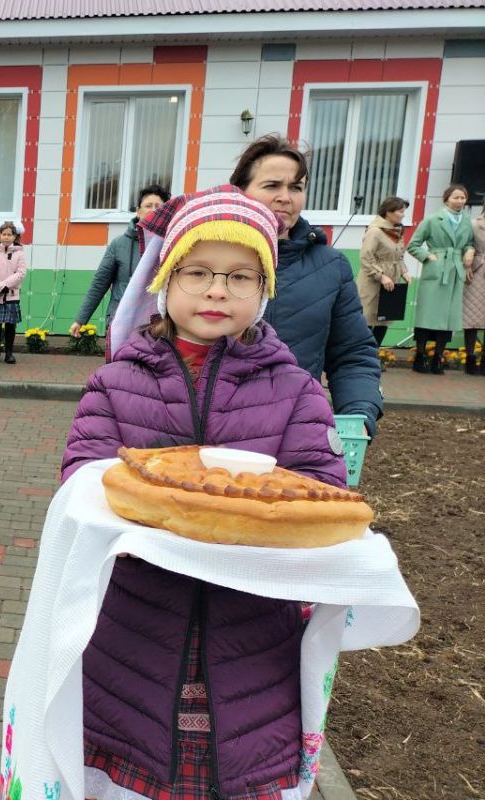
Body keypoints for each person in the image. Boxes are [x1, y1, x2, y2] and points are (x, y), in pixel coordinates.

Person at [62, 188, 347, 799]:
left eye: (241, 277)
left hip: (252, 641)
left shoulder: (297, 391)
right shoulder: (115, 383)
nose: (218, 290)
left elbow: (319, 495)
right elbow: (84, 484)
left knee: (234, 771)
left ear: (264, 290)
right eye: (198, 272)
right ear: (165, 279)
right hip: (133, 632)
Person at [225, 135, 382, 435]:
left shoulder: (331, 266)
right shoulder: (208, 258)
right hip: (211, 432)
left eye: (296, 188)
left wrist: (360, 412)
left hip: (294, 432)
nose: (285, 197)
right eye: (272, 185)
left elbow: (352, 354)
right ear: (241, 192)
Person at [71, 184, 170, 345]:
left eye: (158, 206)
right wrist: (81, 319)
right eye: (148, 206)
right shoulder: (119, 244)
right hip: (122, 320)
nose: (153, 210)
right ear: (138, 211)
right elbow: (99, 284)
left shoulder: (172, 245)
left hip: (157, 324)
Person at [406, 184, 476, 375]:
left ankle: (438, 358)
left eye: (463, 198)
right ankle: (420, 357)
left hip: (455, 272)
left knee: (448, 319)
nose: (460, 201)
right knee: (427, 315)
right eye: (456, 197)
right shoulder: (432, 220)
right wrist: (428, 257)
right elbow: (413, 245)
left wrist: (469, 250)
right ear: (446, 199)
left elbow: (469, 242)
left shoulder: (466, 222)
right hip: (436, 271)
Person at [357, 196, 410, 346]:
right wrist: (381, 276)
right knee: (367, 318)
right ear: (389, 212)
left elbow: (398, 256)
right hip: (372, 281)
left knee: (384, 319)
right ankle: (362, 355)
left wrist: (404, 271)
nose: (403, 214)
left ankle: (374, 354)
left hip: (391, 280)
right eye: (400, 211)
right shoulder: (375, 231)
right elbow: (366, 257)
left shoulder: (397, 231)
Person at [0, 220, 28, 364]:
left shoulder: (19, 254)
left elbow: (21, 272)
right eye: (4, 234)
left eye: (10, 234)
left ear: (15, 236)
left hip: (11, 294)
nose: (6, 237)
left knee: (10, 325)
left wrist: (6, 285)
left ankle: (9, 353)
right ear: (0, 235)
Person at [468, 206, 485, 375]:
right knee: (472, 317)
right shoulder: (474, 224)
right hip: (477, 270)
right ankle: (470, 359)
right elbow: (466, 244)